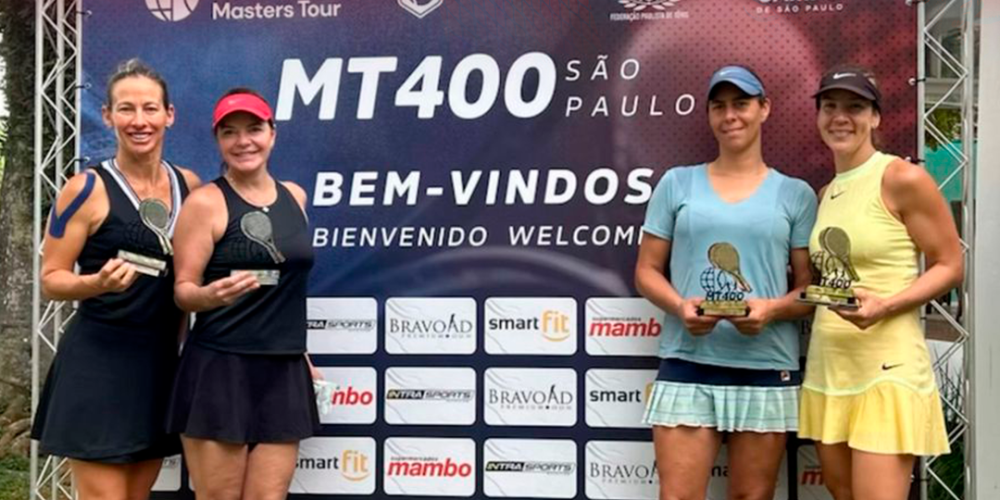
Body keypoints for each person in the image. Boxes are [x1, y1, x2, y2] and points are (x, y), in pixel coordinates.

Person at [635, 65, 817, 500]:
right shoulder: (676, 183)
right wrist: (680, 307)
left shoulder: (796, 194)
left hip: (765, 365)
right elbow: (646, 271)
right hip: (687, 362)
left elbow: (810, 290)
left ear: (764, 109)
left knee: (751, 497)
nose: (730, 115)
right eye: (719, 106)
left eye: (741, 104)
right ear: (709, 115)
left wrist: (772, 309)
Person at [31, 59, 201, 500]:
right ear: (107, 116)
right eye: (126, 109)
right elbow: (51, 279)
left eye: (150, 108)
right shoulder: (85, 189)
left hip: (158, 365)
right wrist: (97, 284)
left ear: (169, 115)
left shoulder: (189, 185)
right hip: (98, 363)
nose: (139, 121)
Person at [799, 66, 962, 500]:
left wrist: (885, 306)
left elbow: (950, 265)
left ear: (875, 117)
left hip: (887, 371)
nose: (840, 117)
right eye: (830, 106)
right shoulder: (826, 193)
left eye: (855, 107)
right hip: (830, 368)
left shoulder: (901, 178)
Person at [168, 88, 320, 500]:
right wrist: (209, 296)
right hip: (220, 367)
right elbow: (183, 291)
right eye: (229, 132)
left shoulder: (296, 197)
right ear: (218, 140)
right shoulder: (205, 203)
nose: (243, 141)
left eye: (254, 129)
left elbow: (287, 287)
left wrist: (302, 354)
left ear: (272, 133)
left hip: (283, 368)